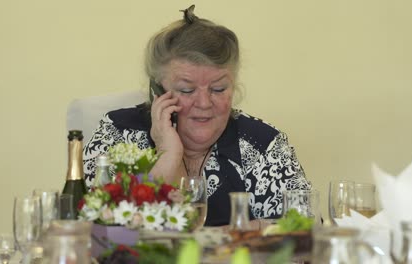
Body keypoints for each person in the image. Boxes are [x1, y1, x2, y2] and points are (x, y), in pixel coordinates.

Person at [83, 5, 311, 226]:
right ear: (157, 91)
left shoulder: (262, 143)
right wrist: (167, 155)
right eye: (186, 90)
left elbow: (306, 228)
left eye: (219, 89)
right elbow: (97, 230)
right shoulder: (117, 133)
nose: (204, 103)